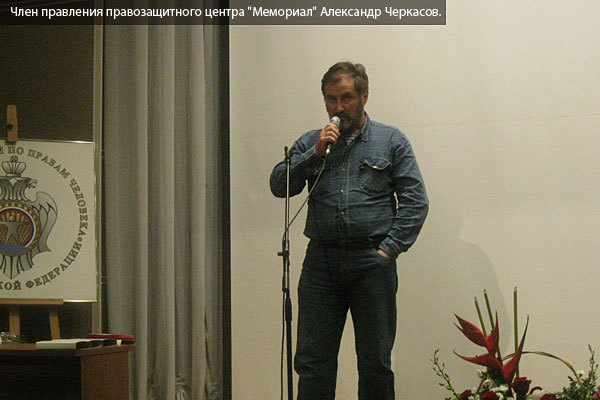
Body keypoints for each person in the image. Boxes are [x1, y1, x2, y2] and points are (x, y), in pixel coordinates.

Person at [269, 61, 428, 400]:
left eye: (346, 98)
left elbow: (416, 202)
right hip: (321, 265)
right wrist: (314, 154)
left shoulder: (391, 140)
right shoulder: (313, 141)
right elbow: (279, 185)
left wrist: (388, 250)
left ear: (364, 96)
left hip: (371, 264)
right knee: (313, 363)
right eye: (331, 99)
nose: (338, 107)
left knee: (374, 363)